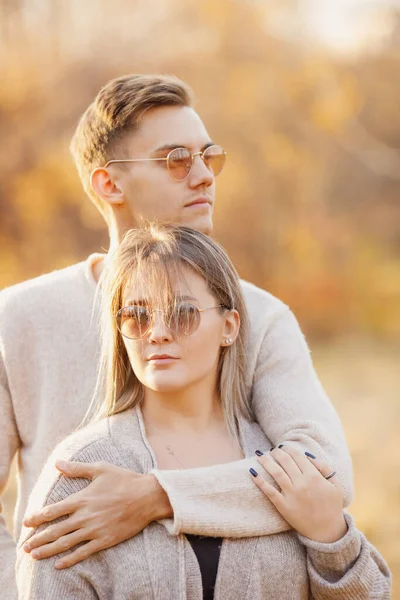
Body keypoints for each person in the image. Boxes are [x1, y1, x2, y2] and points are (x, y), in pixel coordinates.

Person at [1, 74, 353, 599]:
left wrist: (157, 497)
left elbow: (324, 477)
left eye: (209, 156)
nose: (204, 175)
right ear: (108, 184)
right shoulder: (17, 317)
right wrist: (32, 587)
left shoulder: (258, 316)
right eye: (175, 159)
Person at [16, 224, 391, 599]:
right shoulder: (80, 474)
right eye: (138, 316)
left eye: (182, 313)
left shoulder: (286, 470)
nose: (158, 333)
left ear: (229, 326)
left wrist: (332, 541)